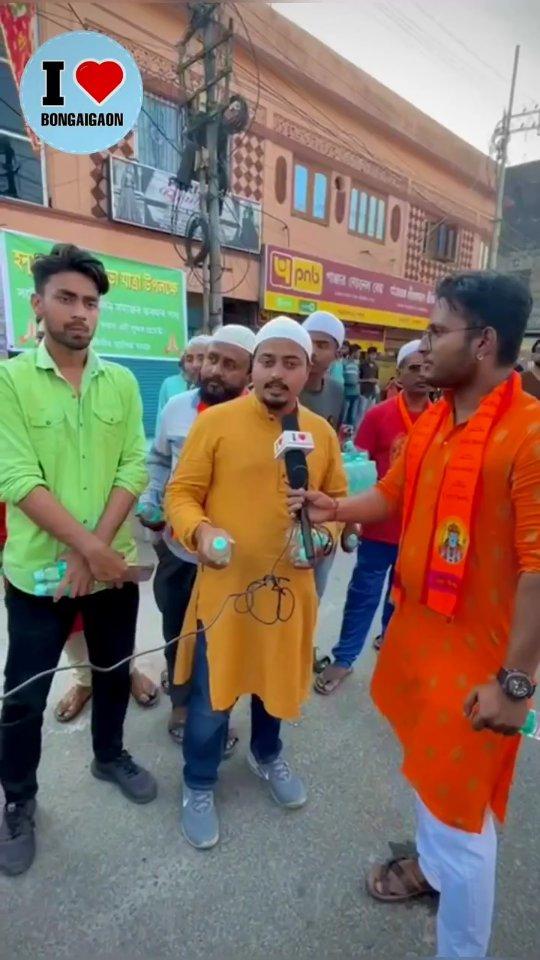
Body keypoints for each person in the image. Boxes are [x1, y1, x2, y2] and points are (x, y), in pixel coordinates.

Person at [289, 272, 540, 959]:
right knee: (431, 790)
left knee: (464, 823)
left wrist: (517, 684)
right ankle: (430, 869)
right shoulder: (437, 417)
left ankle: (462, 948)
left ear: (483, 341)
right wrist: (336, 507)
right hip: (421, 640)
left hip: (481, 664)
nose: (423, 347)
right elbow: (394, 494)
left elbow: (537, 570)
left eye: (436, 331)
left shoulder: (529, 436)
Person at [0, 243, 157, 878]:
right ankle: (19, 800)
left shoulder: (120, 382)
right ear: (37, 305)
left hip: (111, 572)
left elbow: (134, 467)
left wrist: (97, 551)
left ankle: (109, 754)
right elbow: (16, 476)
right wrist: (91, 551)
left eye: (90, 302)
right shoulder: (9, 382)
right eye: (65, 298)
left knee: (113, 671)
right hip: (39, 577)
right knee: (23, 696)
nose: (79, 312)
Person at [165, 315, 347, 850]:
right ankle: (199, 781)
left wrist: (325, 536)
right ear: (253, 368)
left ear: (307, 372)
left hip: (289, 593)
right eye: (267, 361)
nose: (277, 373)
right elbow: (181, 494)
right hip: (225, 594)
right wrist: (201, 532)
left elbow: (337, 501)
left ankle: (267, 755)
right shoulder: (216, 423)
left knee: (274, 686)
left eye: (291, 364)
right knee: (210, 700)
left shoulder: (320, 434)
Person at [138, 324, 256, 747]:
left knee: (225, 638)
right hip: (178, 550)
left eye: (229, 364)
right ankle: (182, 703)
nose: (215, 370)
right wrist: (151, 499)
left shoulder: (262, 421)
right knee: (178, 631)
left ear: (250, 374)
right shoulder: (175, 408)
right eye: (210, 359)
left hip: (234, 559)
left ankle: (219, 708)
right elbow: (158, 460)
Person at [314, 340, 430, 695]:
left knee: (404, 599)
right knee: (364, 594)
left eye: (426, 367)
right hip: (379, 528)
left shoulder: (443, 417)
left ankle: (391, 648)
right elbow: (358, 467)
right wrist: (351, 518)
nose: (422, 374)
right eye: (413, 368)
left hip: (420, 531)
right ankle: (344, 658)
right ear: (398, 374)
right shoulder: (379, 415)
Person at [155, 334, 211, 433]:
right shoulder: (169, 385)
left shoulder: (224, 394)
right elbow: (161, 425)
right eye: (189, 359)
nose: (195, 365)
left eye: (201, 358)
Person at [342, 341, 361, 426]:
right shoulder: (344, 362)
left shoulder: (356, 364)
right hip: (346, 393)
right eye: (358, 352)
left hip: (355, 394)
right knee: (343, 416)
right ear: (354, 352)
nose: (359, 354)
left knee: (352, 417)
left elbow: (357, 378)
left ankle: (350, 432)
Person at [359, 345, 379, 419]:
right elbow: (358, 379)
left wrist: (376, 381)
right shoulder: (362, 365)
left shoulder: (376, 366)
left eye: (375, 355)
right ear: (368, 354)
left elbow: (377, 378)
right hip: (363, 392)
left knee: (370, 412)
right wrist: (368, 380)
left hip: (372, 393)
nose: (373, 356)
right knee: (361, 412)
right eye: (372, 354)